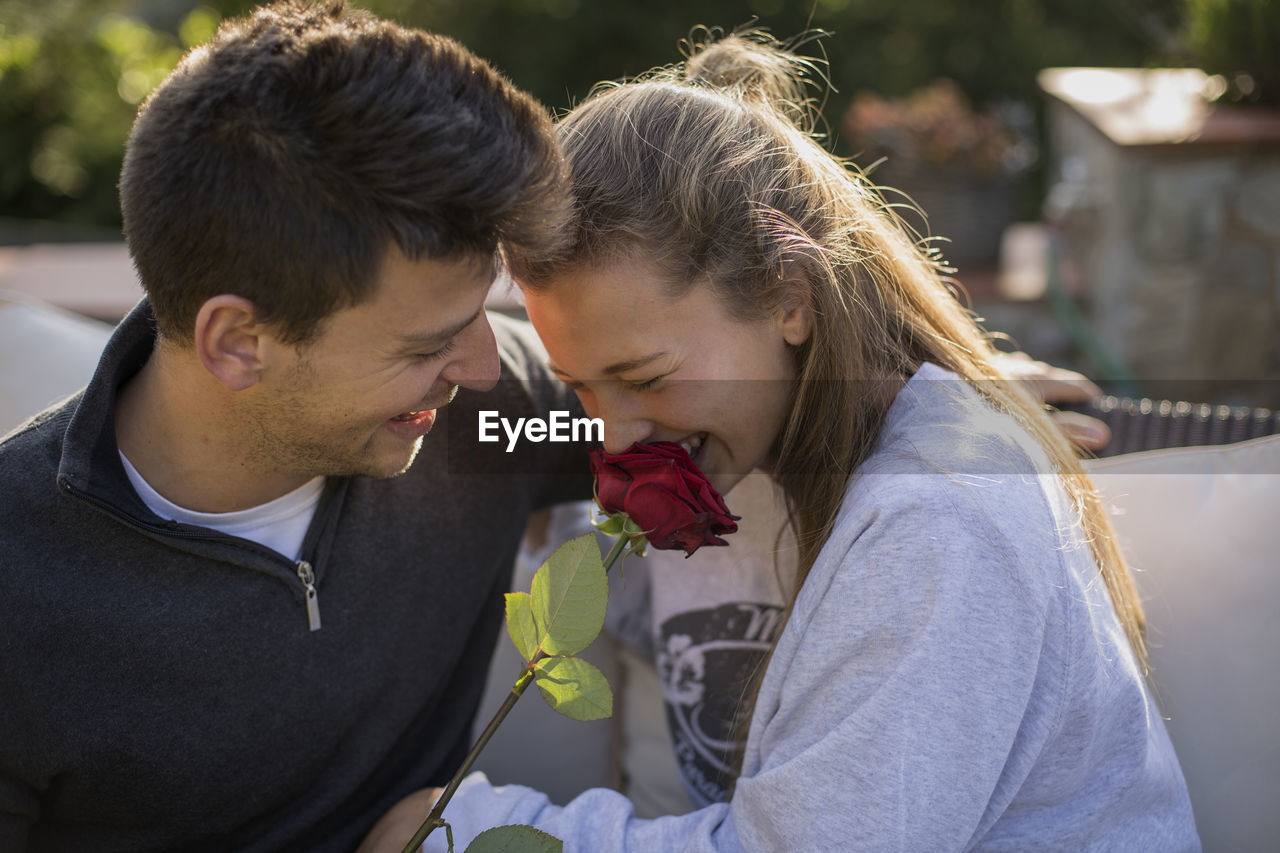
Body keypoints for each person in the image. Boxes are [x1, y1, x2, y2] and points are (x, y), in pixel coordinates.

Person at [368, 32, 1200, 851]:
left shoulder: (937, 522)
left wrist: (472, 829)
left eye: (646, 375)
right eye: (580, 386)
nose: (613, 435)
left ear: (789, 295)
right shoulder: (743, 449)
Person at [0, 2, 592, 850]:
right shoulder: (15, 599)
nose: (485, 368)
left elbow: (756, 410)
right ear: (239, 344)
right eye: (427, 343)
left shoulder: (486, 425)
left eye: (480, 311)